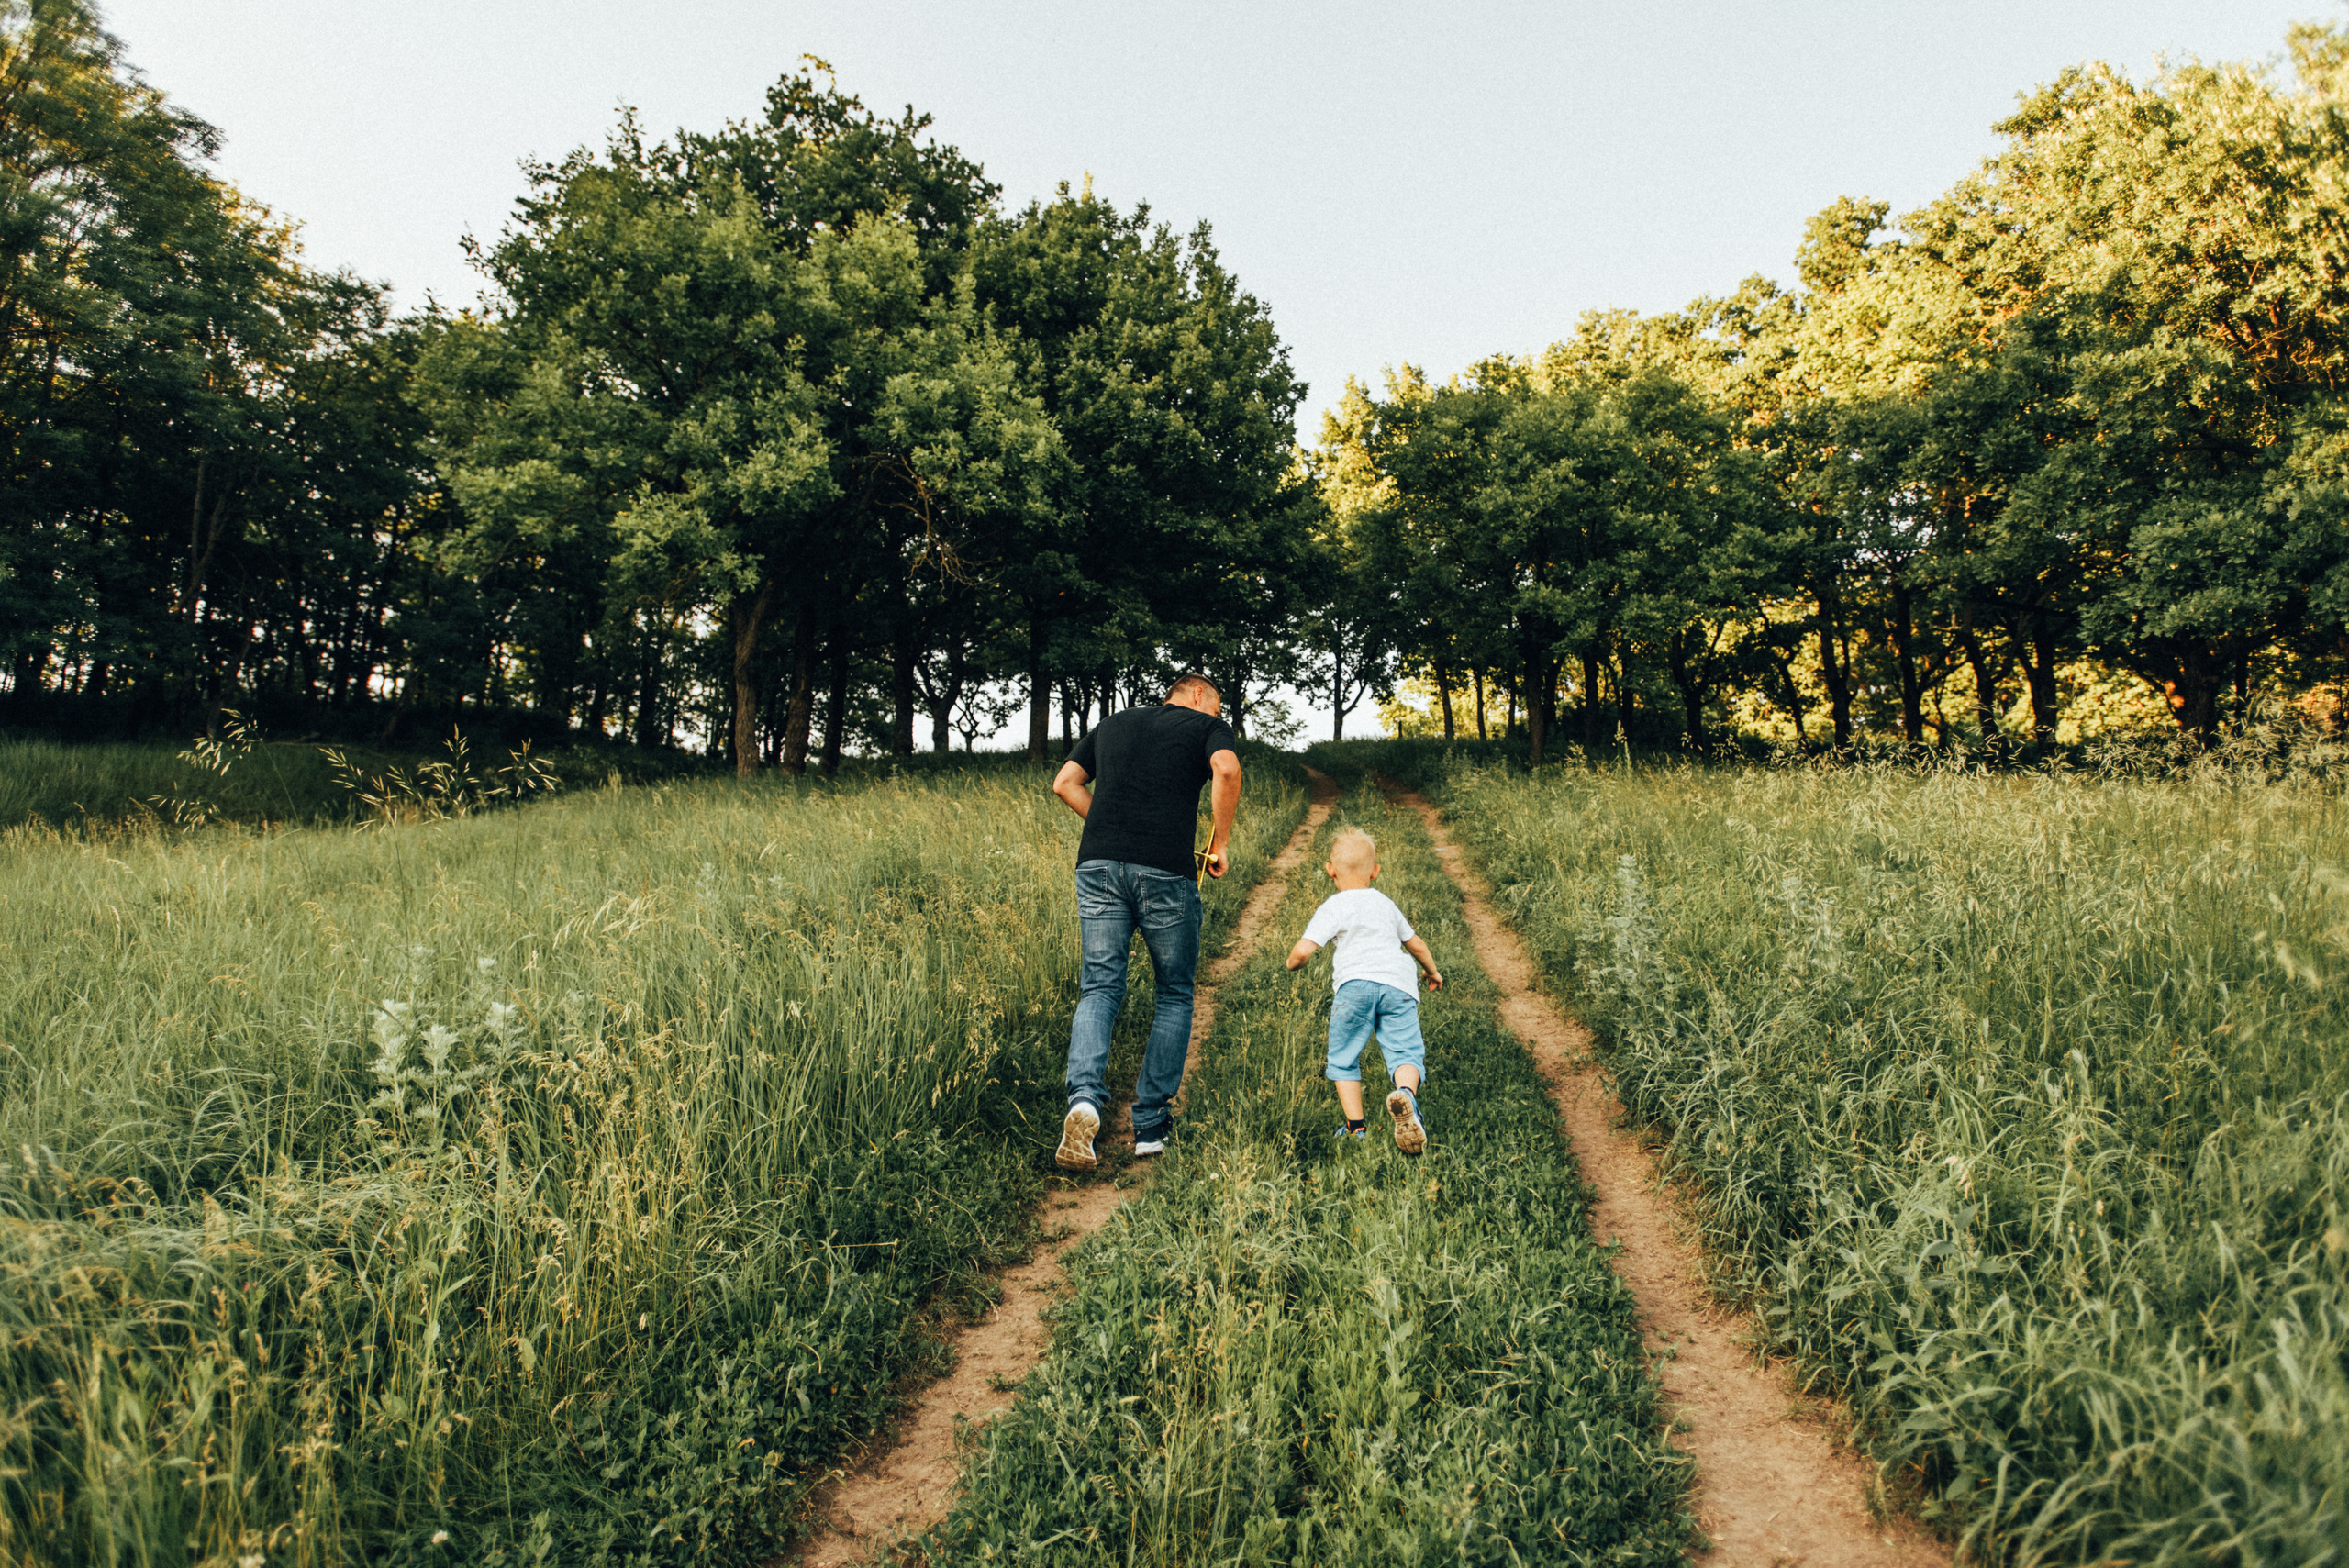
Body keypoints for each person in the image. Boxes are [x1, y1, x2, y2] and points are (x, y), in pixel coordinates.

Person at [1049, 673, 1241, 1170]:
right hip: (1164, 870)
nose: (1217, 717)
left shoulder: (1114, 722)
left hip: (1097, 864)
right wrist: (1219, 844)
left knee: (1100, 988)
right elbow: (1226, 769)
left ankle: (1084, 1102)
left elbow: (1065, 783)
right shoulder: (1206, 727)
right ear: (1199, 695)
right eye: (1216, 707)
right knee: (1174, 991)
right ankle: (1151, 1124)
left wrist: (1109, 827)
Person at [1285, 826, 1443, 1154]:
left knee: (1343, 1057)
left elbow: (1302, 951)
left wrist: (1292, 963)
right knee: (1405, 1052)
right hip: (1398, 986)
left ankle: (1356, 1128)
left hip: (1354, 987)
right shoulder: (1385, 903)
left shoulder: (1335, 905)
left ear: (1330, 870)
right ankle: (1407, 1096)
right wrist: (1433, 971)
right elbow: (1415, 943)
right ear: (1375, 871)